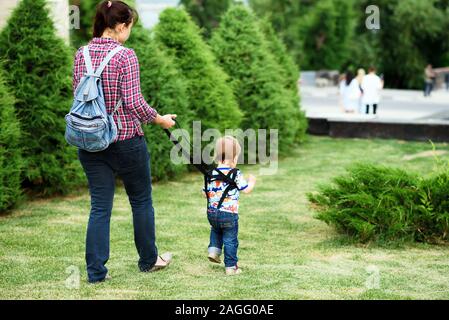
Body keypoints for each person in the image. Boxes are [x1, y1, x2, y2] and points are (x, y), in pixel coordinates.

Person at [73, 0, 176, 284]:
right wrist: (160, 119)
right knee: (141, 201)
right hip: (126, 139)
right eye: (129, 26)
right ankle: (148, 260)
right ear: (120, 26)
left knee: (100, 207)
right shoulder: (125, 56)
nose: (129, 32)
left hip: (90, 140)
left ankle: (95, 274)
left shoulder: (81, 54)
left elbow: (77, 94)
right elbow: (133, 102)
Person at [204, 137, 256, 276]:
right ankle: (231, 267)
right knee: (230, 239)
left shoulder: (211, 173)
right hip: (229, 213)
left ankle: (214, 251)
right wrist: (252, 182)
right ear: (233, 158)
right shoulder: (236, 173)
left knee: (216, 230)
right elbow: (246, 189)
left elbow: (205, 193)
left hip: (212, 212)